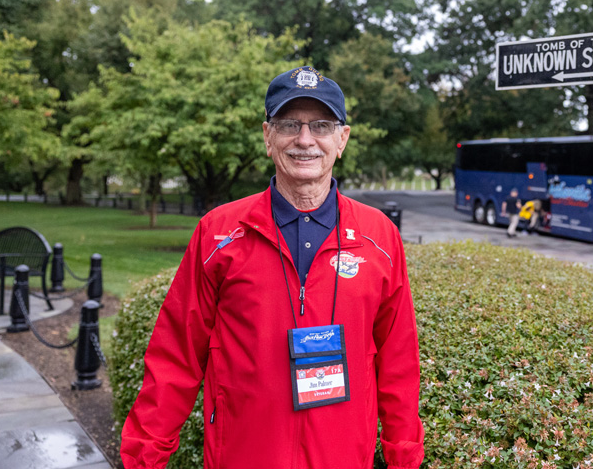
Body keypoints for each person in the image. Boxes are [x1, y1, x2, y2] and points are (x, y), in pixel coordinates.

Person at [120, 66, 425, 469]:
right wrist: (144, 458)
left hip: (342, 455)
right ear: (268, 137)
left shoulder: (378, 237)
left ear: (342, 140)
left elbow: (398, 360)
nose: (304, 140)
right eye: (288, 125)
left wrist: (405, 457)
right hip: (243, 455)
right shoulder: (220, 233)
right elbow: (175, 354)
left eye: (320, 125)